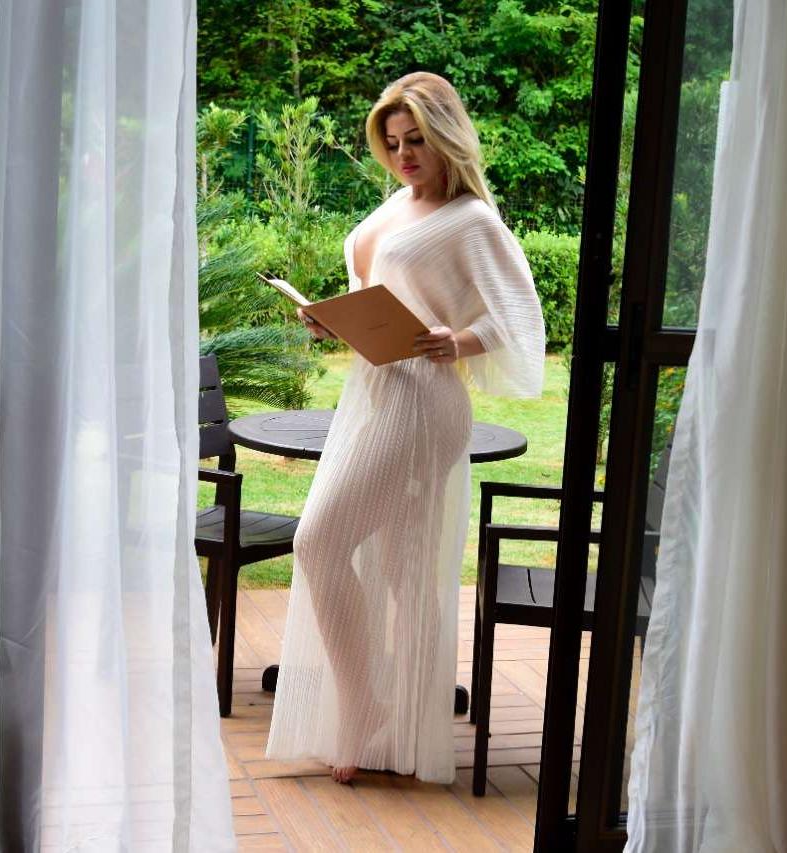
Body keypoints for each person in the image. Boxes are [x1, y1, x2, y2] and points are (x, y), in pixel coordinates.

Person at [265, 71, 545, 785]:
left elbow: (520, 317)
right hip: (372, 391)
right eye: (391, 143)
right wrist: (333, 318)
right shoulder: (395, 204)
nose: (403, 155)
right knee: (395, 567)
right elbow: (378, 298)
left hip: (422, 402)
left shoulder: (471, 220)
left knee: (318, 540)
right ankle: (396, 717)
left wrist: (460, 340)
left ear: (446, 135)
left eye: (416, 140)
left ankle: (366, 705)